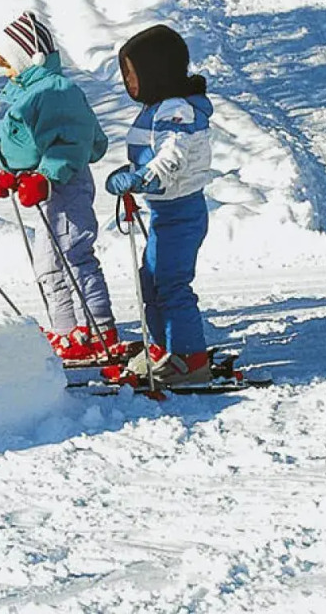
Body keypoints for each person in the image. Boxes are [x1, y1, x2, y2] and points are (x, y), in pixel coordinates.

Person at [0, 11, 118, 362]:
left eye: (9, 64)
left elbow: (71, 141)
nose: (6, 72)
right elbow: (26, 140)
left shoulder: (57, 91)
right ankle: (66, 329)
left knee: (73, 254)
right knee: (47, 263)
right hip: (42, 186)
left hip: (65, 184)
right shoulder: (31, 93)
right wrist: (13, 171)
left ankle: (99, 329)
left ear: (31, 58)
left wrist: (46, 175)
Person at [104, 24, 214, 387]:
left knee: (171, 284)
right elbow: (153, 156)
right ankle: (162, 348)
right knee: (150, 281)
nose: (128, 82)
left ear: (157, 70)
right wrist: (131, 174)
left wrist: (142, 178)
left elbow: (172, 155)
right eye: (125, 74)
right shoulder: (157, 108)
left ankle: (190, 358)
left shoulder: (176, 110)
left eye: (132, 73)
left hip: (183, 212)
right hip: (165, 212)